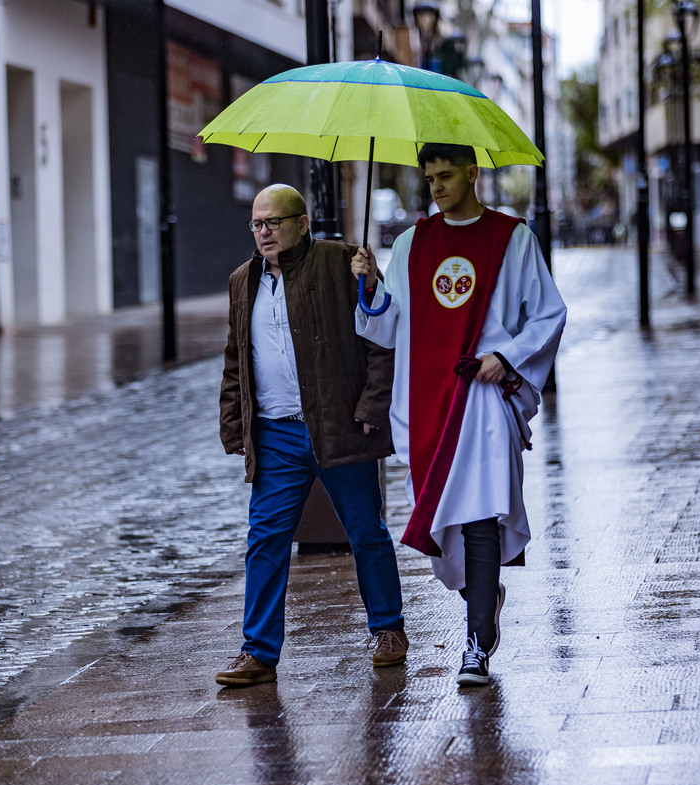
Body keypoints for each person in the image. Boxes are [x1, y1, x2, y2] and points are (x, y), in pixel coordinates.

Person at [351, 144, 567, 686]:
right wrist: (372, 287)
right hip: (425, 400)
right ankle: (482, 597)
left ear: (473, 173)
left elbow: (548, 315)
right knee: (446, 522)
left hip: (484, 395)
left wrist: (507, 356)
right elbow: (385, 328)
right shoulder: (410, 244)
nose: (437, 188)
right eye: (429, 180)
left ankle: (476, 646)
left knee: (482, 511)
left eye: (446, 176)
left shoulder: (512, 238)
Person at [217, 184, 407, 687]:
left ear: (302, 222)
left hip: (338, 423)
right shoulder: (243, 281)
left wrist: (372, 405)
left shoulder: (343, 262)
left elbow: (381, 340)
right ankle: (257, 651)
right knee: (265, 539)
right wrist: (235, 424)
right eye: (256, 225)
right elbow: (237, 359)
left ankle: (388, 629)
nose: (263, 233)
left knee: (365, 529)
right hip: (276, 434)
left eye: (272, 223)